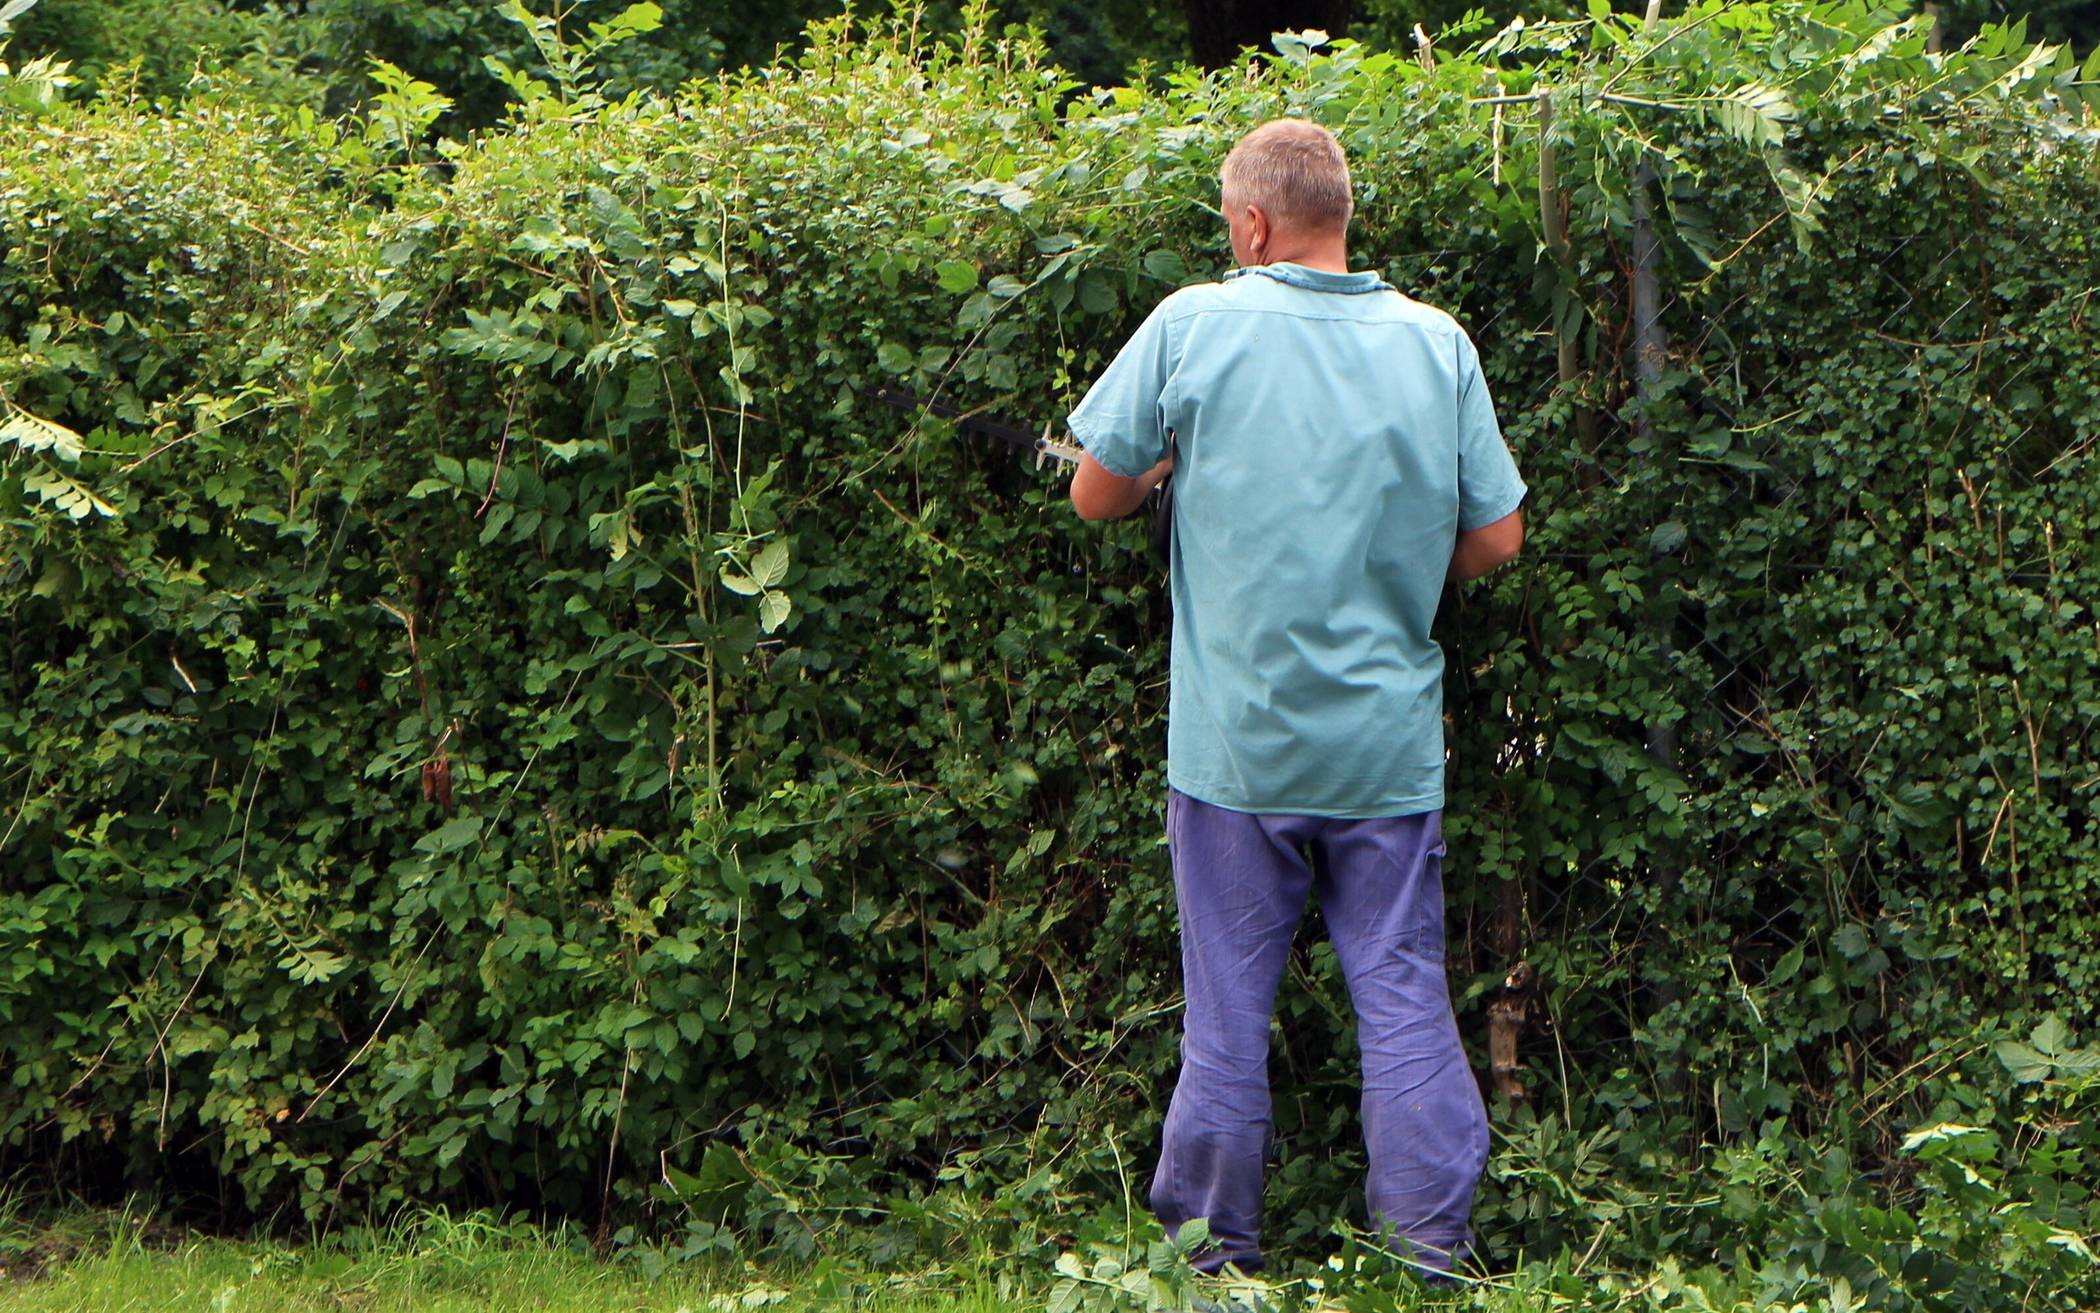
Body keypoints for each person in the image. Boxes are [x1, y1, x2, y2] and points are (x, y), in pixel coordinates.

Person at [1064, 118, 1527, 1280]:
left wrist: (1167, 470)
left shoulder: (1193, 323)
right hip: (1383, 750)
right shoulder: (1438, 343)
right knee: (1405, 998)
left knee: (1227, 1017)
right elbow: (1499, 537)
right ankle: (1429, 1255)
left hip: (1235, 754)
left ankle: (1212, 1265)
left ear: (1253, 224)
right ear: (1342, 215)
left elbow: (1092, 493)